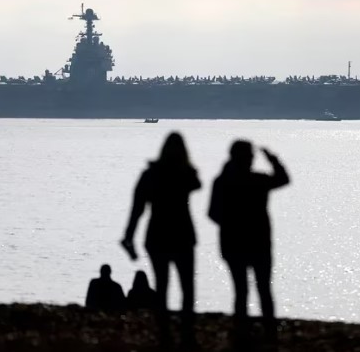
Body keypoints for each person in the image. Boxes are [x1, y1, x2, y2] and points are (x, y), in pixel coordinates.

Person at [121, 132, 201, 344]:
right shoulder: (185, 173)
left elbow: (137, 208)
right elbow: (197, 183)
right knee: (187, 287)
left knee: (162, 285)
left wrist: (129, 236)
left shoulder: (151, 174)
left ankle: (164, 333)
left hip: (157, 235)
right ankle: (186, 333)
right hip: (182, 235)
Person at [208, 140, 290, 342]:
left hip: (233, 243)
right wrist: (273, 159)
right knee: (264, 289)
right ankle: (270, 332)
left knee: (241, 291)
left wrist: (229, 224)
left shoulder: (223, 181)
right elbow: (283, 179)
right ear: (250, 159)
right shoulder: (258, 180)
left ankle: (242, 331)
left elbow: (213, 213)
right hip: (259, 242)